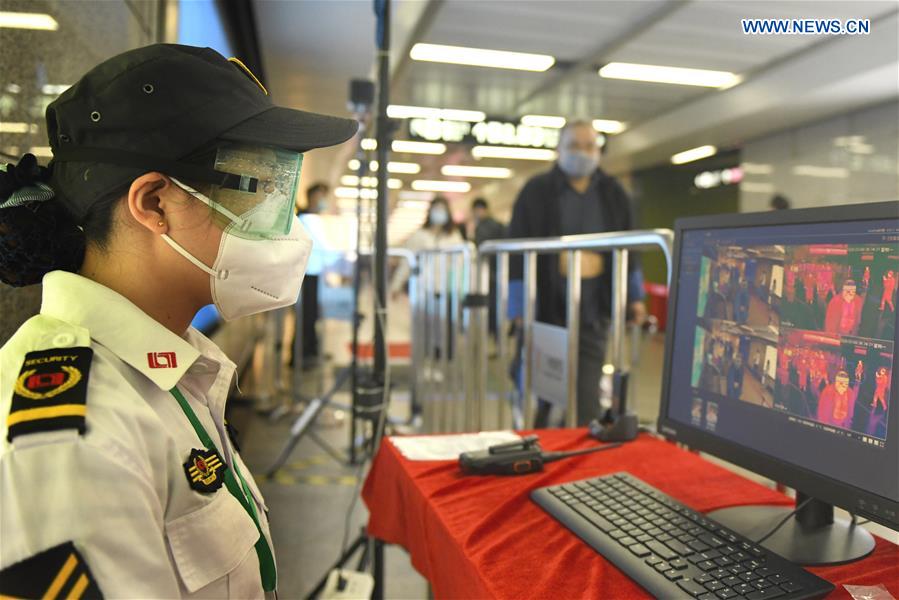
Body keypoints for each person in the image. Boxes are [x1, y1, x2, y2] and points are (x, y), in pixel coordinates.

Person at [0, 44, 357, 597]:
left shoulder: (170, 361)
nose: (284, 225)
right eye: (259, 188)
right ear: (155, 203)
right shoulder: (78, 436)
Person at [507, 119, 646, 427]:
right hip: (546, 310)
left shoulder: (613, 193)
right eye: (573, 145)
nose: (582, 153)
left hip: (593, 311)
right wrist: (518, 307)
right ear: (558, 149)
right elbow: (517, 250)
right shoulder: (537, 191)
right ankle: (540, 447)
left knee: (586, 398)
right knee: (544, 393)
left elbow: (631, 248)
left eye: (589, 146)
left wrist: (635, 296)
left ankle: (581, 461)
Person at [295, 182, 331, 368]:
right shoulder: (303, 218)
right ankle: (300, 354)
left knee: (312, 313)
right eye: (320, 196)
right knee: (305, 314)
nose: (322, 200)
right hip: (304, 274)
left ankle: (311, 349)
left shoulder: (315, 219)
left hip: (314, 272)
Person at [469, 197, 506, 339]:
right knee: (494, 305)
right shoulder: (497, 224)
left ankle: (495, 337)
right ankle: (497, 338)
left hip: (490, 272)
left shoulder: (483, 227)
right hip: (497, 271)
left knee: (491, 306)